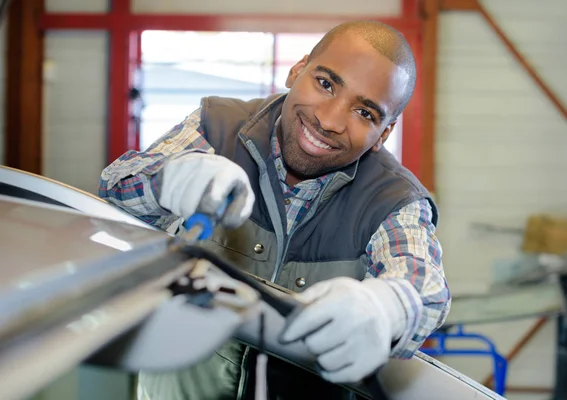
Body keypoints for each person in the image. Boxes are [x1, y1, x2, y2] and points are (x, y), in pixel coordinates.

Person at [99, 20, 451, 400]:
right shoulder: (216, 127)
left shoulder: (393, 198)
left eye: (365, 113)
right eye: (326, 84)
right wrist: (164, 182)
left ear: (384, 134)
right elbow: (113, 191)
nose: (329, 121)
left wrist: (388, 306)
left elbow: (427, 287)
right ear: (297, 70)